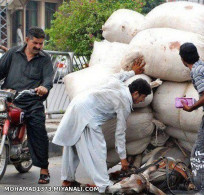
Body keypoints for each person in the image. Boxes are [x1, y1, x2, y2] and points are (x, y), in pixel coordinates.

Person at [52, 57, 151, 193]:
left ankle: (67, 179)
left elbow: (119, 75)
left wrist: (132, 73)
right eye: (142, 97)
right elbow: (120, 132)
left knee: (72, 144)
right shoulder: (125, 103)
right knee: (98, 149)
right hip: (87, 115)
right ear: (135, 93)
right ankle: (104, 185)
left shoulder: (118, 84)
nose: (142, 101)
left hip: (77, 104)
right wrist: (123, 159)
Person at [0, 27, 54, 184]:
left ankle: (44, 170)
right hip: (10, 99)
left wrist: (44, 87)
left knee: (38, 131)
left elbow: (48, 80)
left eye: (41, 43)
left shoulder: (45, 59)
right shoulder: (13, 54)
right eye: (35, 43)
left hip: (32, 102)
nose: (38, 46)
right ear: (27, 39)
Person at [179, 43, 204, 194]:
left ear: (182, 59)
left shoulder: (196, 71)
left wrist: (191, 107)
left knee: (198, 152)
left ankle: (201, 189)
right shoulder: (202, 66)